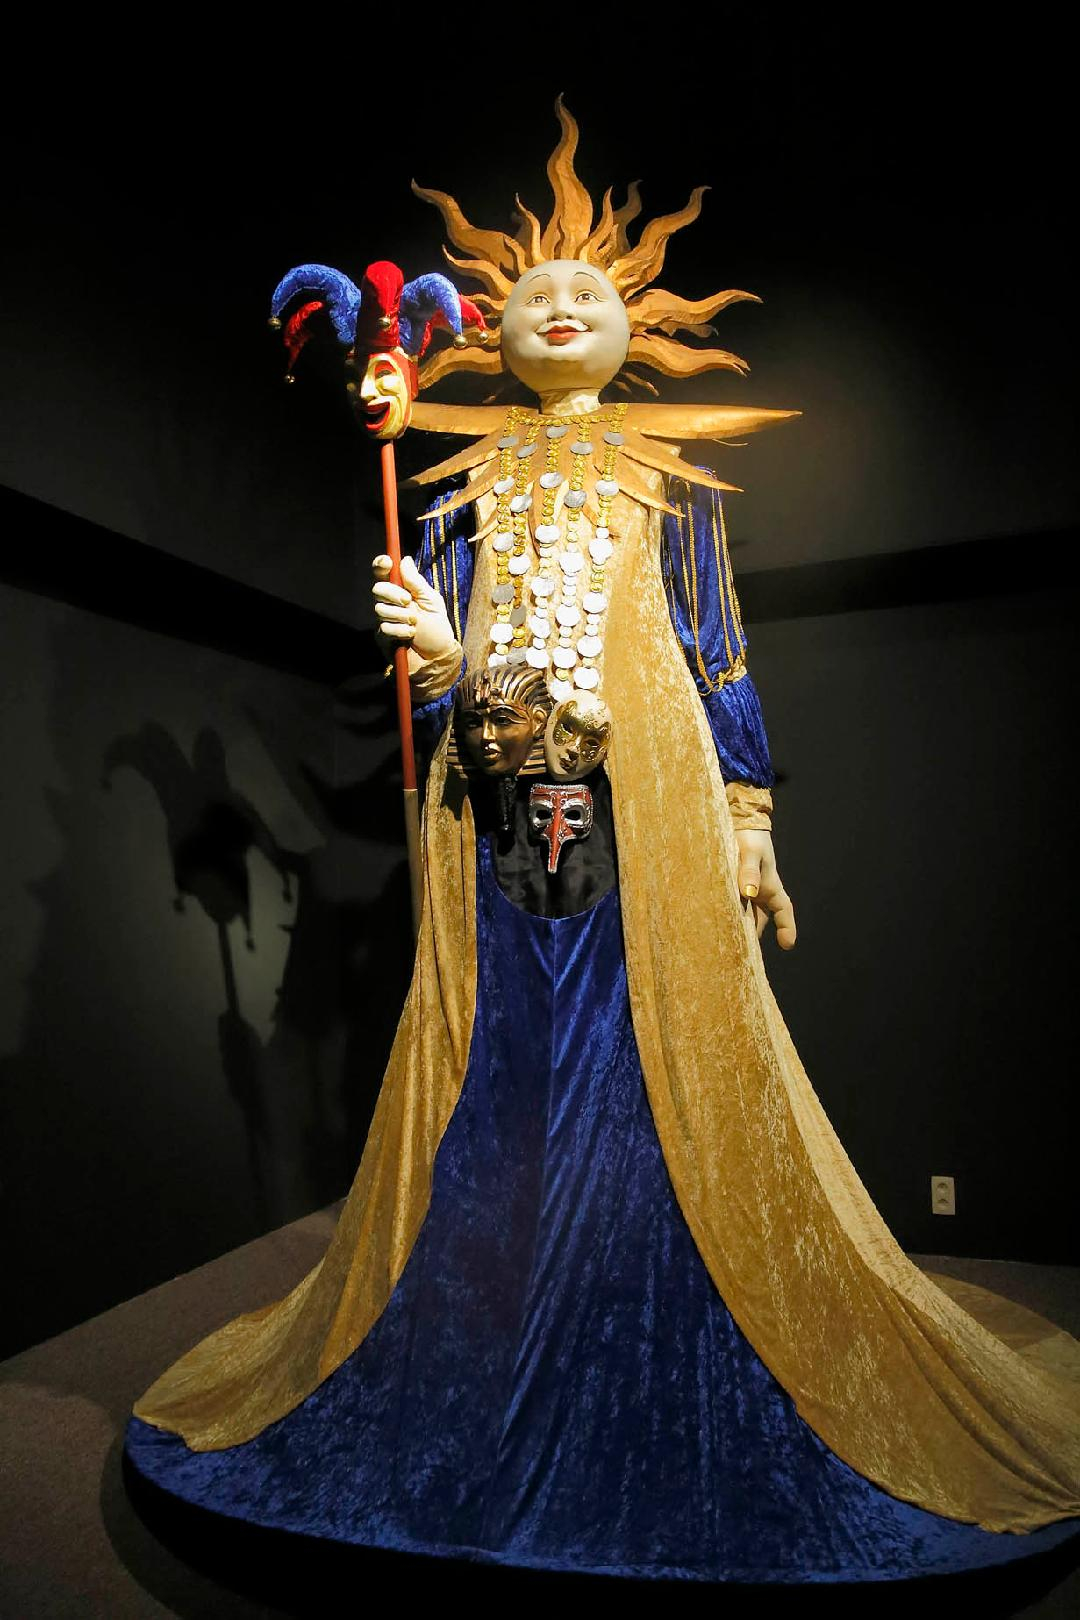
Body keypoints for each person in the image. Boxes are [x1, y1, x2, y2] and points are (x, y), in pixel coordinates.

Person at [124, 101, 1080, 1583]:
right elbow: (444, 673)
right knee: (508, 1044)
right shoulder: (454, 486)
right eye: (533, 295)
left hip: (649, 793)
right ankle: (504, 1306)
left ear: (632, 329)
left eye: (588, 290)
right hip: (501, 791)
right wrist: (434, 648)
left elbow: (719, 650)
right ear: (493, 337)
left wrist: (751, 818)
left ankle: (666, 1309)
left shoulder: (670, 479)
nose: (561, 303)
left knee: (661, 1043)